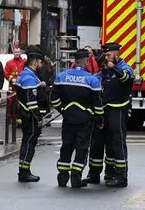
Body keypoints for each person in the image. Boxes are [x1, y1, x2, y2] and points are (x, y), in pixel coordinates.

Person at [50, 49, 103, 188]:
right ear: (86, 62)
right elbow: (98, 104)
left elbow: (53, 99)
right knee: (81, 148)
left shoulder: (61, 77)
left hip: (68, 119)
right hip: (85, 120)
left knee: (66, 146)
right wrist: (99, 119)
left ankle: (62, 178)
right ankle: (76, 178)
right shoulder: (92, 80)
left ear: (74, 61)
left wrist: (63, 110)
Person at [98, 42, 134, 188]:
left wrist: (115, 69)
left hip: (118, 110)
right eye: (105, 55)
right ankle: (109, 172)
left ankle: (121, 176)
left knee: (118, 143)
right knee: (109, 143)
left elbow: (126, 78)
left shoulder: (125, 68)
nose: (106, 58)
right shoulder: (106, 70)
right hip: (106, 110)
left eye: (108, 55)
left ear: (117, 54)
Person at [83, 53, 116, 184]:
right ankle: (94, 173)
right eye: (102, 64)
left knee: (111, 146)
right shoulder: (95, 78)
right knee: (96, 146)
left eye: (106, 63)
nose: (105, 66)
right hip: (97, 117)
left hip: (111, 115)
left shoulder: (115, 77)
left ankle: (110, 172)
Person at [15, 45, 45, 182]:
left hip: (25, 115)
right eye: (40, 62)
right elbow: (31, 101)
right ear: (35, 62)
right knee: (29, 143)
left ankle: (24, 170)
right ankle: (24, 172)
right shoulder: (29, 78)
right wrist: (38, 117)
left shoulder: (27, 75)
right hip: (29, 117)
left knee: (27, 142)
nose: (41, 65)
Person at [4, 47, 26, 126]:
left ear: (21, 53)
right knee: (12, 103)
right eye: (15, 52)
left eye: (18, 52)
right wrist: (12, 79)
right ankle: (12, 118)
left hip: (22, 86)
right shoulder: (9, 63)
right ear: (13, 53)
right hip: (13, 86)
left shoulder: (24, 62)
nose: (17, 53)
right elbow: (6, 73)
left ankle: (21, 119)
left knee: (22, 103)